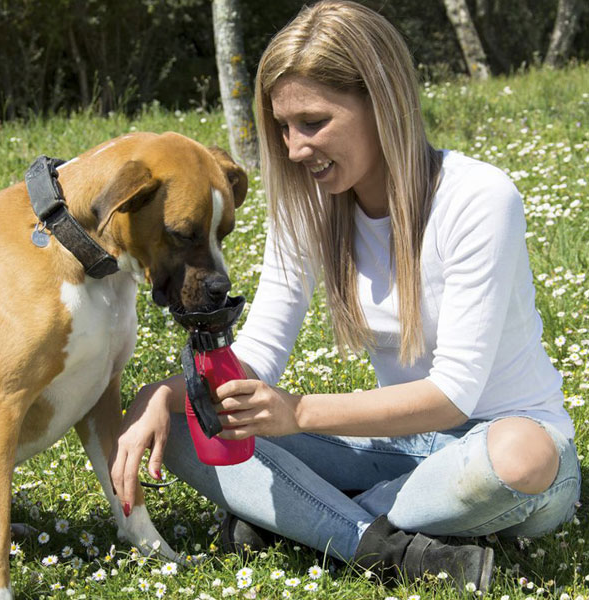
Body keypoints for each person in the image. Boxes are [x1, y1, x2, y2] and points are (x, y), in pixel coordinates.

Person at [109, 0, 579, 591]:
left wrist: (298, 413)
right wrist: (160, 395)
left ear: (381, 103)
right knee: (185, 421)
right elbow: (261, 352)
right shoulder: (306, 208)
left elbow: (455, 396)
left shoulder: (480, 198)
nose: (295, 147)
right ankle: (382, 546)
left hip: (498, 449)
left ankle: (307, 523)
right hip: (395, 448)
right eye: (283, 127)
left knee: (521, 456)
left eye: (313, 122)